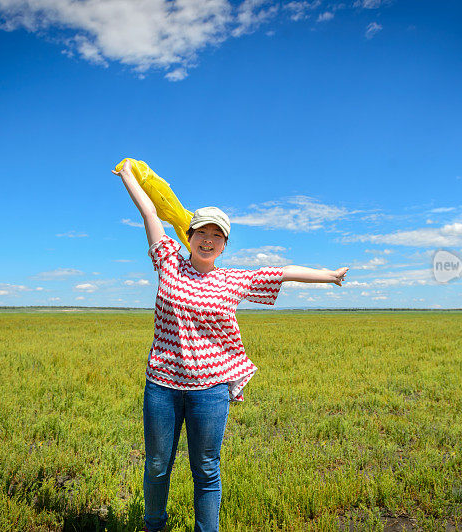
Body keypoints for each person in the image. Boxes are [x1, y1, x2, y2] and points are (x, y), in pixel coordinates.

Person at [113, 160, 349, 532]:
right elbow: (149, 211)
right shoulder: (169, 263)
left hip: (210, 390)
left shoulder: (233, 280)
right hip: (162, 385)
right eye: (201, 233)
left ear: (224, 244)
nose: (208, 240)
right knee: (158, 464)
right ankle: (153, 526)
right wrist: (129, 175)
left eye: (216, 235)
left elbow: (284, 271)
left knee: (206, 468)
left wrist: (330, 276)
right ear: (188, 235)